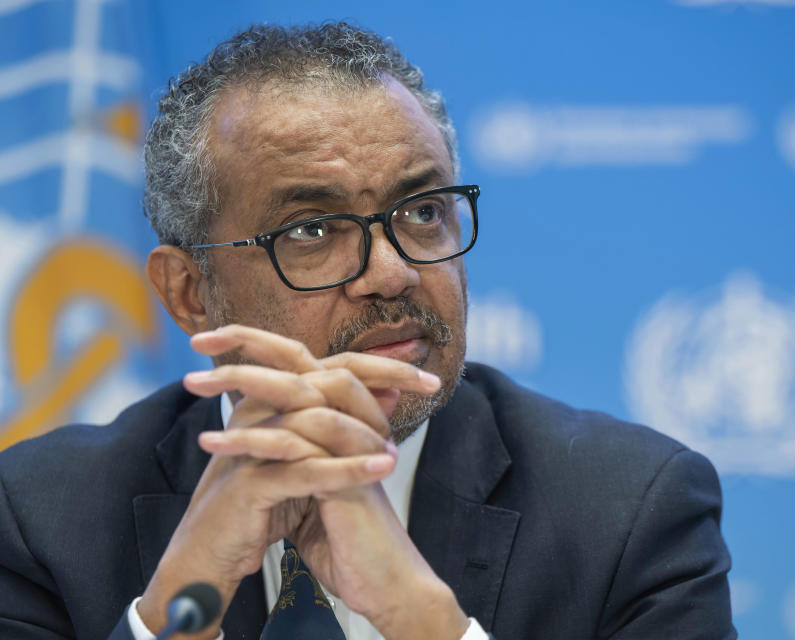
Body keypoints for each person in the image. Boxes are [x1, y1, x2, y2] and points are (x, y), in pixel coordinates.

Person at [0, 22, 736, 640]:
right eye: (313, 228)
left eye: (422, 212)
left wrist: (426, 624)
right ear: (191, 293)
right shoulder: (41, 517)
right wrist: (173, 618)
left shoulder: (630, 510)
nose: (391, 272)